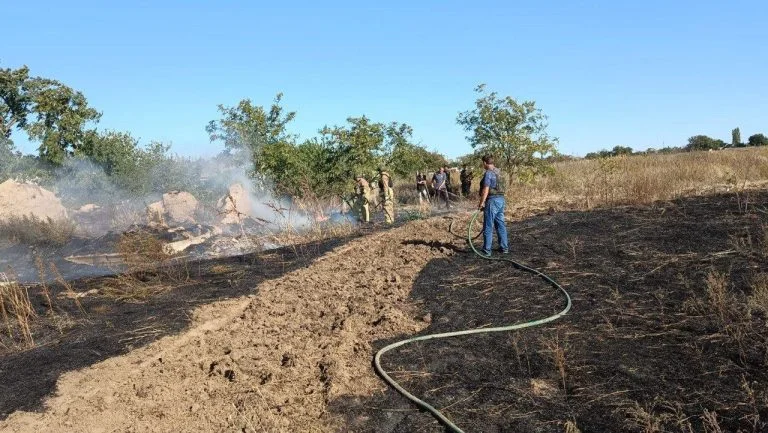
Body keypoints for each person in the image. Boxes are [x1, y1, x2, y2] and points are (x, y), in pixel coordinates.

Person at [477, 155, 509, 256]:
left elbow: (486, 190)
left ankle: (487, 250)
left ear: (485, 163)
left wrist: (481, 203)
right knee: (500, 224)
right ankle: (504, 248)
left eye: (483, 163)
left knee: (488, 226)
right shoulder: (500, 172)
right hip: (501, 200)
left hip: (492, 201)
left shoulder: (488, 173)